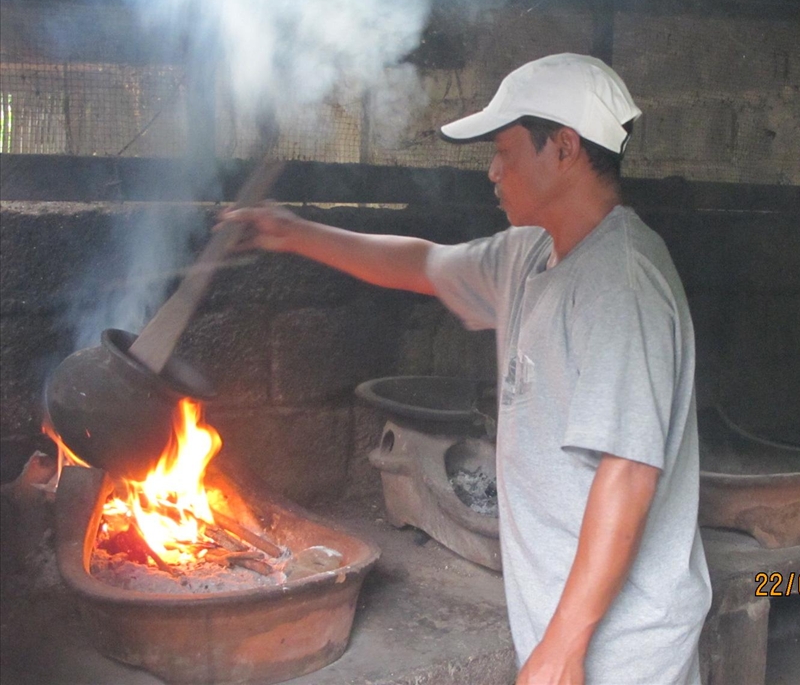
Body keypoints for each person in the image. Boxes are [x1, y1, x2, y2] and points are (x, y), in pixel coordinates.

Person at [224, 53, 712, 685]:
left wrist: (565, 648)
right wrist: (292, 234)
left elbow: (628, 473)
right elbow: (421, 264)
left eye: (504, 151)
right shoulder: (530, 254)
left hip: (622, 654)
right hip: (564, 634)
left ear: (563, 148)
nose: (492, 171)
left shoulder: (621, 284)